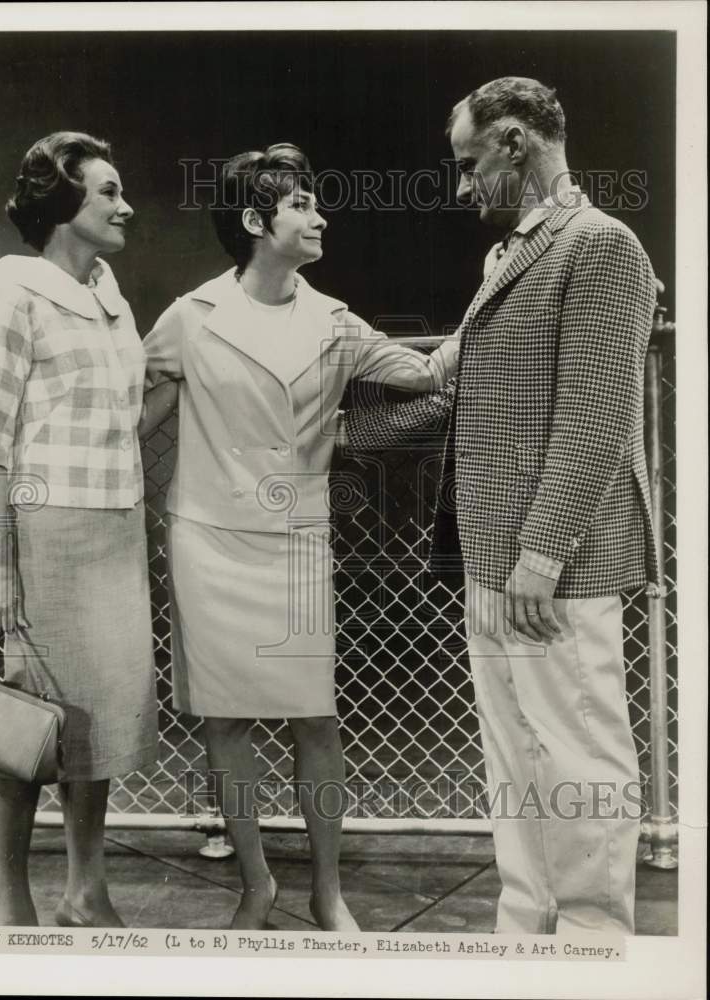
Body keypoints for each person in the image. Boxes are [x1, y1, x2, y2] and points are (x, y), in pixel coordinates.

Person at [344, 78, 660, 934]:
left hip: (551, 561)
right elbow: (463, 391)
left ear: (515, 142)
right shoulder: (510, 254)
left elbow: (597, 418)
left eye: (467, 163)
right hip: (489, 552)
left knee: (578, 752)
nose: (459, 187)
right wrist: (335, 436)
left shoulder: (600, 245)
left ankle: (595, 945)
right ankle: (526, 930)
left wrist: (542, 554)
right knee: (514, 755)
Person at [141, 143, 458, 931]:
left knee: (316, 718)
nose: (320, 217)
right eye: (302, 205)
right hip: (208, 541)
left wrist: (498, 303)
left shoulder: (334, 321)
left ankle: (327, 890)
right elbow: (129, 415)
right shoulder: (189, 316)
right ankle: (257, 886)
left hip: (292, 543)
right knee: (225, 723)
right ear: (255, 220)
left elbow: (426, 375)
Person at [0, 131, 159, 928]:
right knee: (25, 729)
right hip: (44, 537)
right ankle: (12, 903)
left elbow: (124, 420)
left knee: (96, 726)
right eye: (108, 192)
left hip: (115, 534)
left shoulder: (110, 292)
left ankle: (86, 891)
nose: (125, 206)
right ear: (64, 204)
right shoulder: (14, 294)